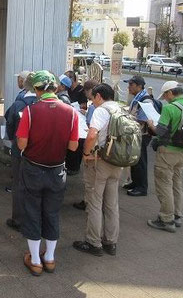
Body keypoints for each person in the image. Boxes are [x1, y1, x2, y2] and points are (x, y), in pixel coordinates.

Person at [16, 70, 79, 276]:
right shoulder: (70, 112)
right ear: (55, 87)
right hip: (57, 170)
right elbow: (72, 147)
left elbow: (22, 143)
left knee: (32, 211)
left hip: (33, 167)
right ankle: (50, 258)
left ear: (36, 89)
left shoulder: (31, 111)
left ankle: (35, 260)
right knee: (52, 212)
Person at [73, 83, 122, 257]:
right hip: (117, 161)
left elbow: (92, 134)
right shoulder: (120, 109)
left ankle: (94, 242)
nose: (92, 102)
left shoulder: (102, 111)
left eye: (92, 98)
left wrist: (86, 153)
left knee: (94, 202)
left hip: (99, 161)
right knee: (111, 203)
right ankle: (111, 242)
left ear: (99, 96)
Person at [146, 81, 183, 232]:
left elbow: (160, 132)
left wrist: (150, 125)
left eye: (165, 96)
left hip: (167, 152)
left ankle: (166, 219)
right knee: (176, 183)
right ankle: (177, 215)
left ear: (170, 93)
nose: (165, 99)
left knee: (164, 185)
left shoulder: (170, 108)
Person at [4, 70, 36, 230]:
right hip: (38, 150)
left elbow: (8, 119)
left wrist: (12, 139)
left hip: (19, 148)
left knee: (18, 183)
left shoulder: (19, 103)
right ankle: (34, 218)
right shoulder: (43, 103)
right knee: (35, 185)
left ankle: (18, 219)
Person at [124, 75, 155, 197]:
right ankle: (135, 182)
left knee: (140, 160)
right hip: (136, 133)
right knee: (135, 159)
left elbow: (143, 119)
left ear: (139, 86)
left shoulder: (145, 100)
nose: (128, 87)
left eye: (131, 85)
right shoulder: (138, 97)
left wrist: (127, 119)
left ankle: (142, 187)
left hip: (142, 134)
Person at [73, 79, 98, 211]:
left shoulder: (95, 107)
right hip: (104, 149)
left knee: (90, 179)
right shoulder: (111, 107)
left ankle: (89, 202)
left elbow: (91, 131)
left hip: (93, 148)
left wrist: (86, 153)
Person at [64, 70, 87, 176]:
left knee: (78, 143)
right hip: (70, 117)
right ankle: (69, 165)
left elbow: (84, 106)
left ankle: (75, 167)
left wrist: (75, 107)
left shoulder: (81, 90)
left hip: (80, 119)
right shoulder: (67, 89)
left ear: (73, 79)